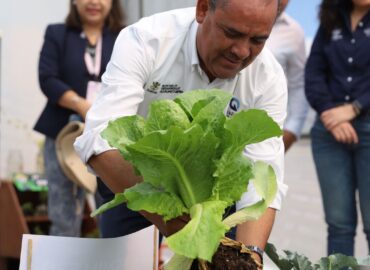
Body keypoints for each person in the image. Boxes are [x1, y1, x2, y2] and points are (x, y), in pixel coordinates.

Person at [75, 0, 288, 264]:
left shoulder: (268, 77)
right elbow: (100, 140)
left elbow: (263, 178)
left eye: (257, 40)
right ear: (202, 9)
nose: (242, 51)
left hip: (213, 197)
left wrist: (249, 257)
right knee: (126, 263)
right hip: (135, 181)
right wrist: (167, 214)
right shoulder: (147, 40)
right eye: (231, 33)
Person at [34, 0, 124, 236]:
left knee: (110, 209)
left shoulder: (124, 37)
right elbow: (47, 78)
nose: (94, 2)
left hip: (109, 137)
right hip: (62, 133)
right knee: (64, 213)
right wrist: (81, 104)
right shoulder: (57, 33)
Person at [305, 0, 370, 256]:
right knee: (339, 225)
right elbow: (314, 73)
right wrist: (331, 115)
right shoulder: (330, 19)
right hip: (328, 133)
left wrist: (354, 108)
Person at [266, 0, 309, 152]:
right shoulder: (233, 14)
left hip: (265, 131)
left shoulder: (294, 32)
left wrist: (292, 130)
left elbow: (298, 84)